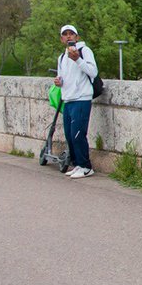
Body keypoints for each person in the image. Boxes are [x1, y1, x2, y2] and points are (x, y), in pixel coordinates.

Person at [54, 24, 98, 179]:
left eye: (71, 34)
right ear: (61, 39)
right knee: (70, 135)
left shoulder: (84, 51)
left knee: (78, 134)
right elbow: (63, 78)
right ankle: (78, 164)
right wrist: (59, 82)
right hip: (68, 99)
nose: (68, 36)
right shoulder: (61, 57)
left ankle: (86, 167)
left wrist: (78, 59)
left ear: (76, 37)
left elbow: (93, 72)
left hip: (82, 98)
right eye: (65, 34)